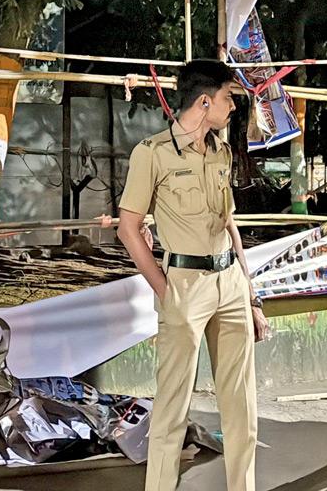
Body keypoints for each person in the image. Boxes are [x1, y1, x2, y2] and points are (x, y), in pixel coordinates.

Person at [116, 59, 270, 491]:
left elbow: (230, 225)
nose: (233, 108)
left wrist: (252, 296)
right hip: (184, 285)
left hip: (231, 287)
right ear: (205, 101)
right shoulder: (152, 153)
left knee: (243, 410)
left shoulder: (219, 152)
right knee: (171, 413)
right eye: (228, 98)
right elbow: (130, 229)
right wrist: (165, 291)